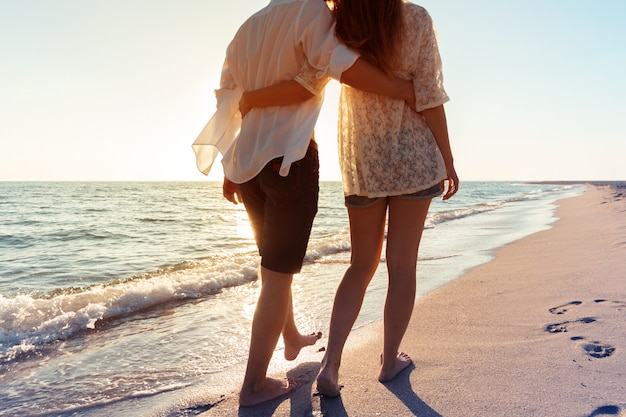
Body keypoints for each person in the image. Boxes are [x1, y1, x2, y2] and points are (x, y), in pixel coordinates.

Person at [191, 0, 416, 407]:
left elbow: (229, 101)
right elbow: (336, 68)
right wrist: (402, 89)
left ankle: (291, 336)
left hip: (247, 163)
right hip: (288, 160)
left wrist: (230, 166)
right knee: (277, 273)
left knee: (272, 264)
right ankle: (254, 385)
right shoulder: (312, 12)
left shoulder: (249, 26)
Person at [238, 0, 459, 398]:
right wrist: (449, 159)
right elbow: (428, 94)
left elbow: (307, 79)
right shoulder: (416, 18)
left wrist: (252, 99)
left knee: (360, 264)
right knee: (402, 265)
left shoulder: (341, 21)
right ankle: (389, 362)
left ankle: (331, 365)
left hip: (363, 159)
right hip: (413, 156)